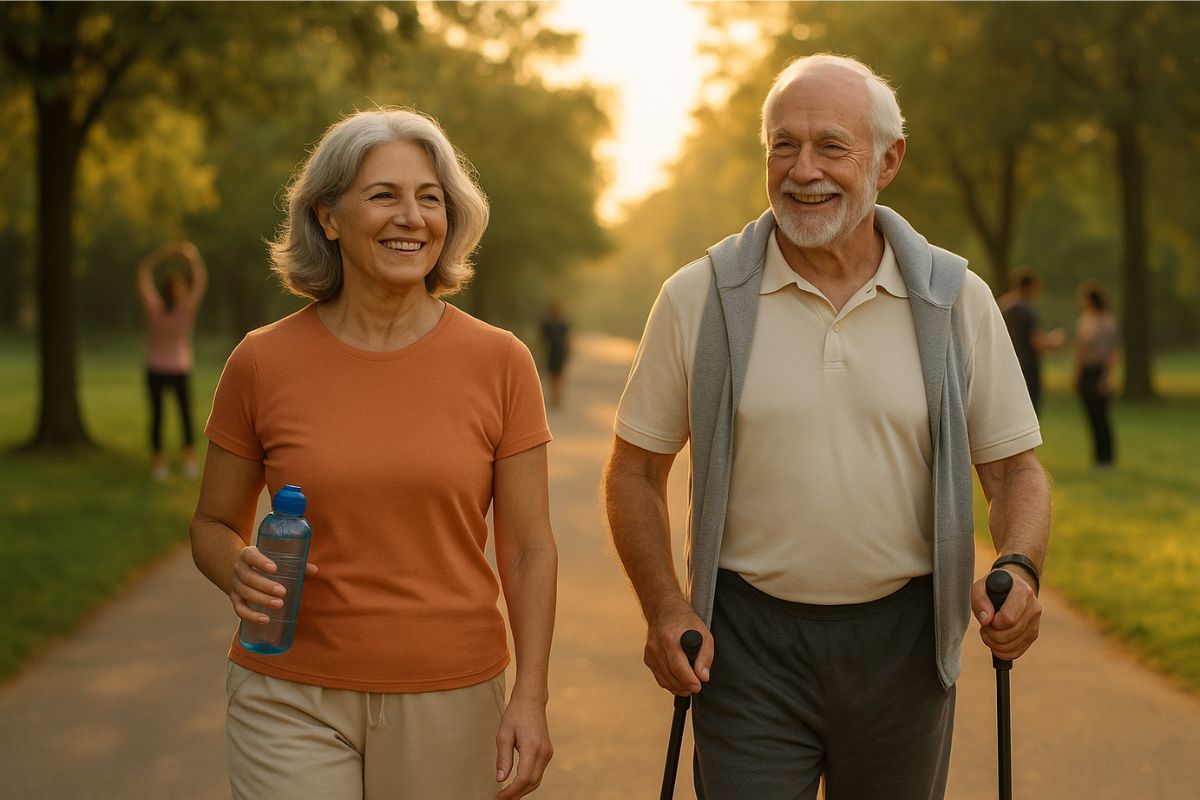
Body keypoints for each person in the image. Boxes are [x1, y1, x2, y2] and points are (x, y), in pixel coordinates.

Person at [603, 54, 1050, 799]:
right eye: (783, 144)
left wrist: (1023, 566)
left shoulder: (954, 299)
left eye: (830, 146)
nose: (802, 170)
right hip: (745, 648)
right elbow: (633, 472)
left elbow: (1014, 471)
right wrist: (665, 606)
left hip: (905, 648)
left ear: (887, 161)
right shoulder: (699, 297)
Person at [189, 108, 557, 800]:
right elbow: (212, 524)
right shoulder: (261, 361)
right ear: (328, 217)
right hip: (287, 691)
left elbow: (529, 548)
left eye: (430, 198)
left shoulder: (501, 363)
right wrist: (236, 567)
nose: (411, 217)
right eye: (384, 194)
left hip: (449, 690)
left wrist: (531, 697)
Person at [136, 239, 207, 480]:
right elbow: (143, 273)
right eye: (175, 288)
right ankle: (158, 461)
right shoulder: (154, 307)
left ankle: (189, 458)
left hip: (180, 368)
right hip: (156, 368)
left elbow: (200, 280)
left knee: (185, 414)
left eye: (182, 287)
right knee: (157, 417)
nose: (181, 291)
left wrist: (190, 255)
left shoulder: (186, 308)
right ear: (168, 290)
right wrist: (163, 254)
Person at [999, 269, 1065, 415]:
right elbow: (1036, 341)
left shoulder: (1003, 306)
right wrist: (1054, 342)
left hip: (1007, 363)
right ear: (1029, 286)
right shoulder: (1027, 309)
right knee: (1029, 408)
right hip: (1028, 364)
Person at [1073, 281, 1120, 466]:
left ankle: (1106, 457)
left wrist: (1106, 376)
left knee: (1102, 416)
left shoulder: (1105, 322)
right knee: (1091, 416)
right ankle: (1098, 457)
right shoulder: (1086, 319)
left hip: (1098, 370)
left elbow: (1112, 352)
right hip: (1088, 370)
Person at [539, 300, 570, 409]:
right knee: (554, 375)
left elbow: (567, 338)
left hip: (556, 351)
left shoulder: (562, 323)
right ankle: (555, 396)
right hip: (553, 351)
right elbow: (543, 339)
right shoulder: (548, 323)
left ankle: (556, 396)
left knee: (556, 375)